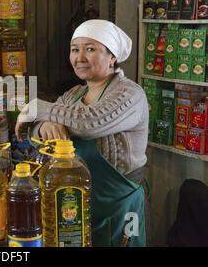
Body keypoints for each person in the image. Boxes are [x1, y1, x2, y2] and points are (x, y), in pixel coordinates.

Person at [16, 19, 149, 247]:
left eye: (90, 49)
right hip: (74, 201)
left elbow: (91, 123)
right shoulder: (73, 95)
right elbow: (39, 139)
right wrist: (43, 125)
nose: (80, 58)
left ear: (112, 56)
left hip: (118, 204)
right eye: (74, 50)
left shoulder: (130, 94)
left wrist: (38, 108)